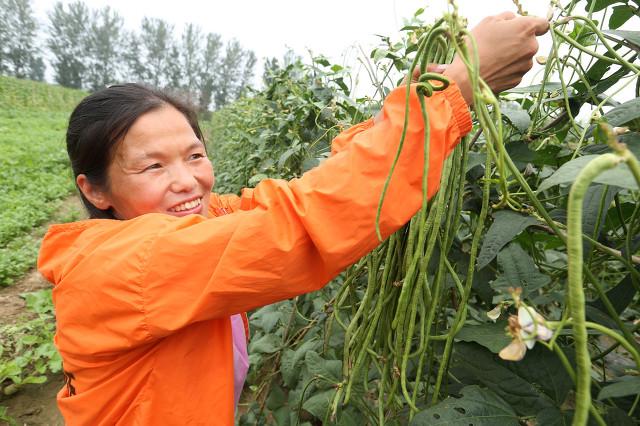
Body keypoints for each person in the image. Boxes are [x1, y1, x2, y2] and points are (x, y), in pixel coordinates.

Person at [38, 12, 548, 426]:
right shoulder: (127, 265)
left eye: (194, 155)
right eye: (153, 166)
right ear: (95, 190)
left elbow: (298, 196)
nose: (187, 181)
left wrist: (413, 101)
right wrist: (454, 91)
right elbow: (303, 225)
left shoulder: (197, 225)